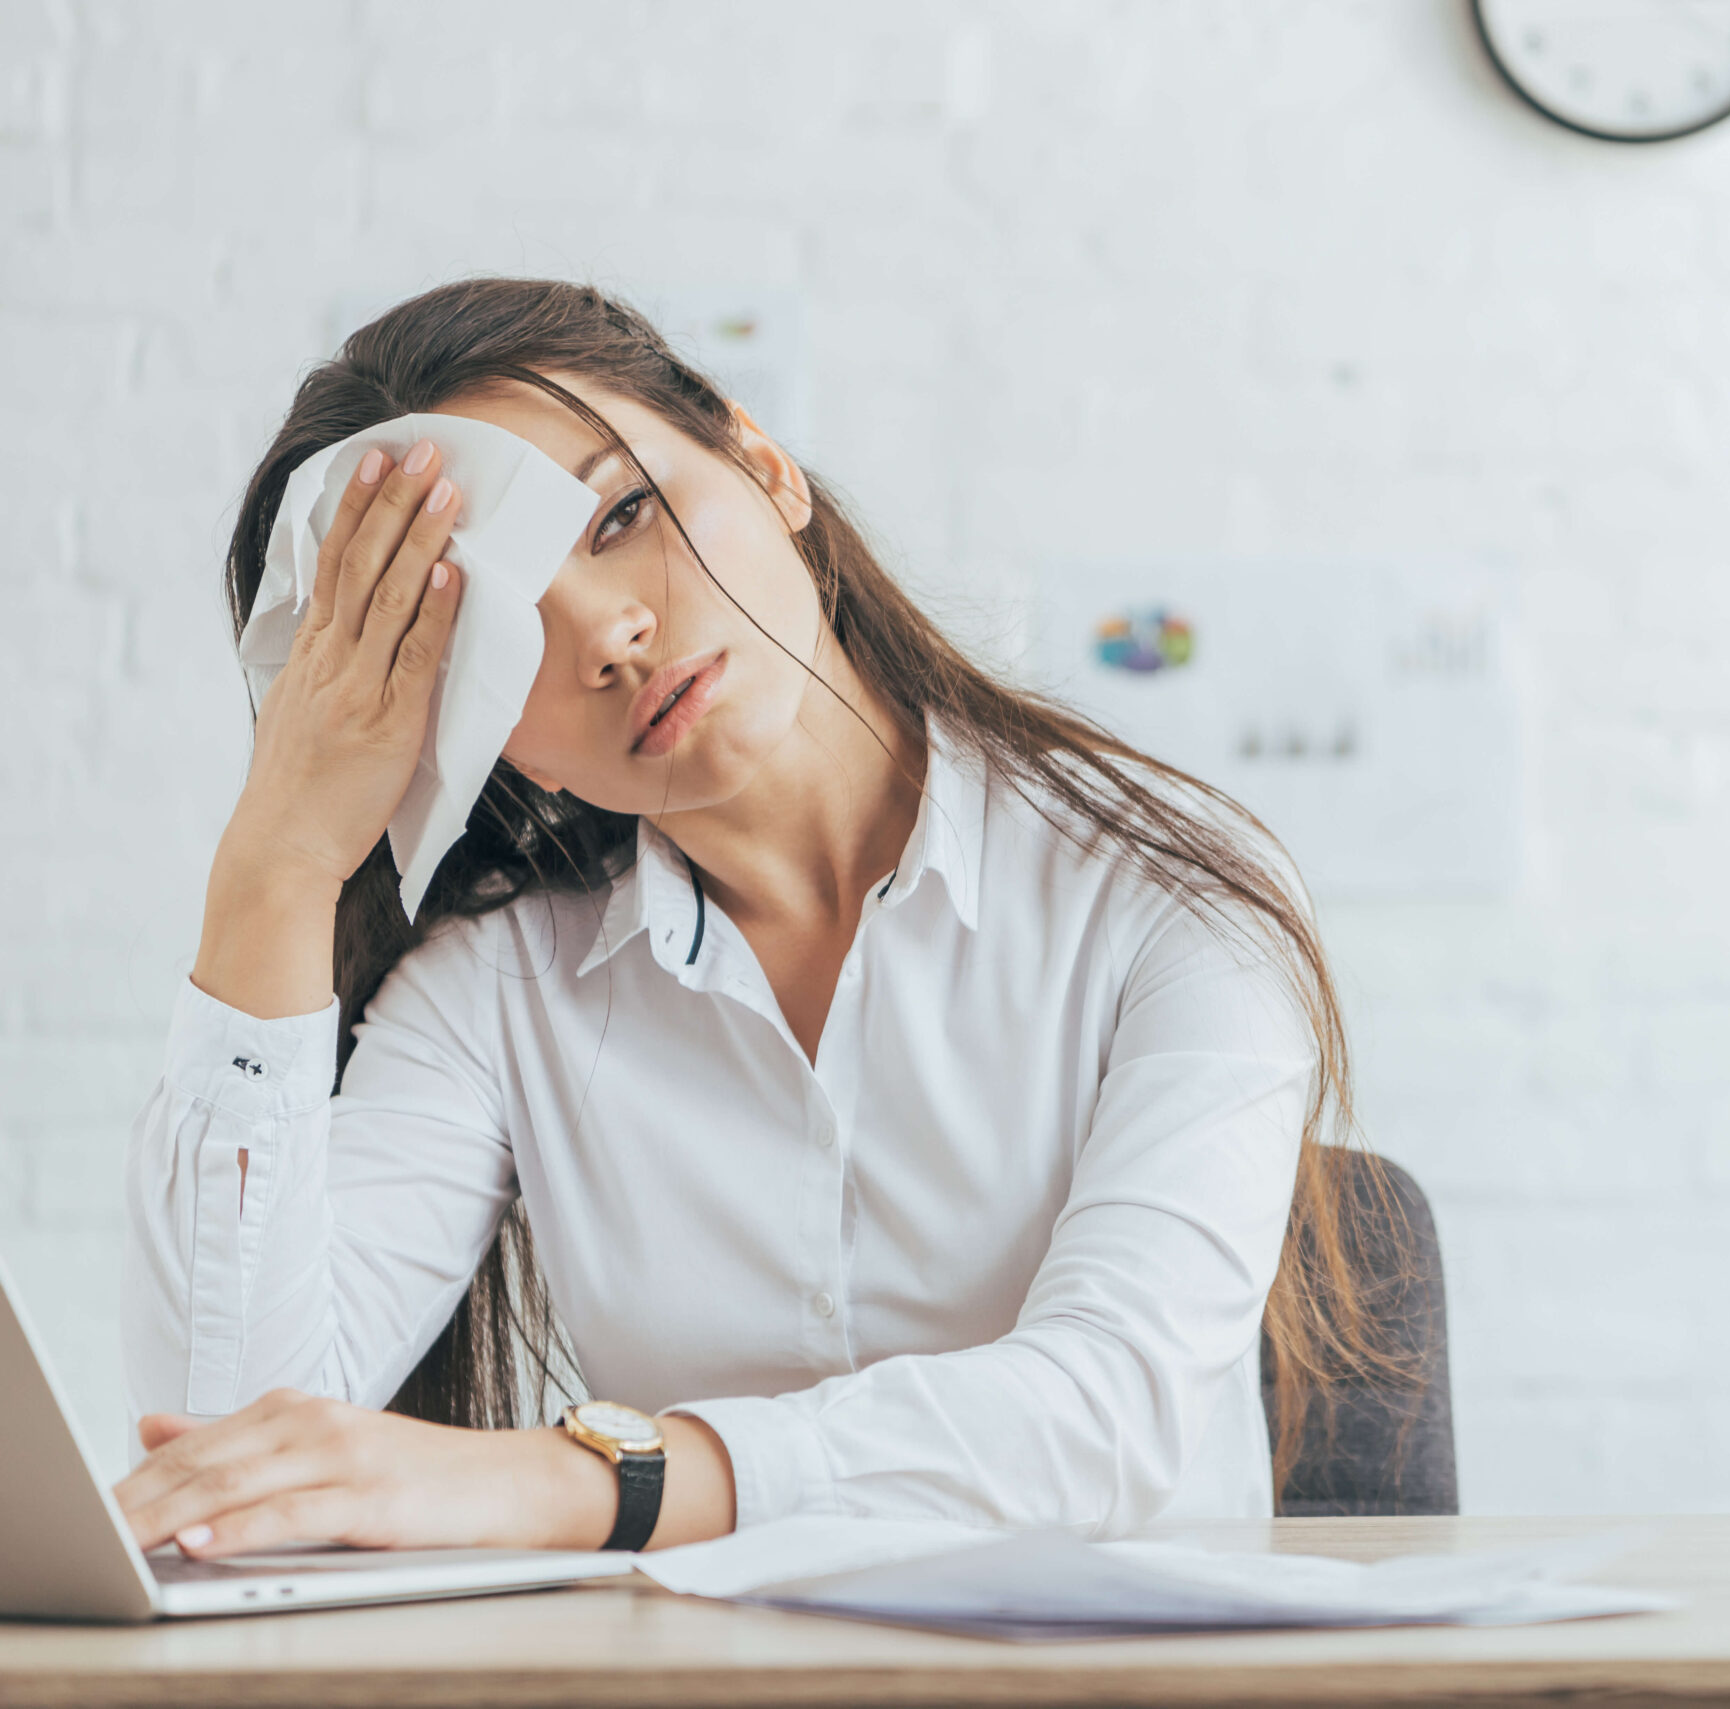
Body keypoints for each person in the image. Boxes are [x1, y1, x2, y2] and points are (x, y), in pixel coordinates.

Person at [113, 278, 1394, 1558]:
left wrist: (588, 1481)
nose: (608, 632)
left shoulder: (1162, 889)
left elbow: (1104, 1415)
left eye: (619, 512)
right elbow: (222, 1466)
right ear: (495, 742)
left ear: (765, 464)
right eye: (499, 638)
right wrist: (279, 862)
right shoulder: (494, 995)